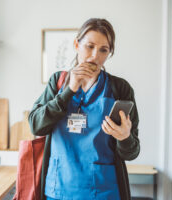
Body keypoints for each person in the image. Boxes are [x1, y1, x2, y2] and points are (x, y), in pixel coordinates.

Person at [28, 18, 140, 200]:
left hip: (104, 192)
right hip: (58, 191)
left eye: (103, 50)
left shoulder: (120, 89)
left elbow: (132, 152)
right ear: (76, 44)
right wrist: (69, 91)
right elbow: (36, 126)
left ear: (109, 53)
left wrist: (125, 137)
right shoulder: (58, 82)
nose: (95, 56)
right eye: (89, 46)